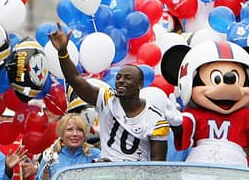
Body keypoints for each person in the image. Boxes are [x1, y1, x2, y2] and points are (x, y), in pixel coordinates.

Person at [47, 27, 169, 162]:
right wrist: (63, 52)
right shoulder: (106, 99)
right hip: (106, 176)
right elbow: (75, 80)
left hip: (136, 178)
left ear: (140, 84)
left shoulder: (155, 118)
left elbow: (157, 165)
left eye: (128, 78)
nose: (121, 81)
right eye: (118, 78)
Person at [34, 113, 99, 180]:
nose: (75, 134)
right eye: (69, 130)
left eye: (79, 130)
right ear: (61, 134)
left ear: (84, 135)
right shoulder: (51, 156)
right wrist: (46, 171)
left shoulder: (95, 155)